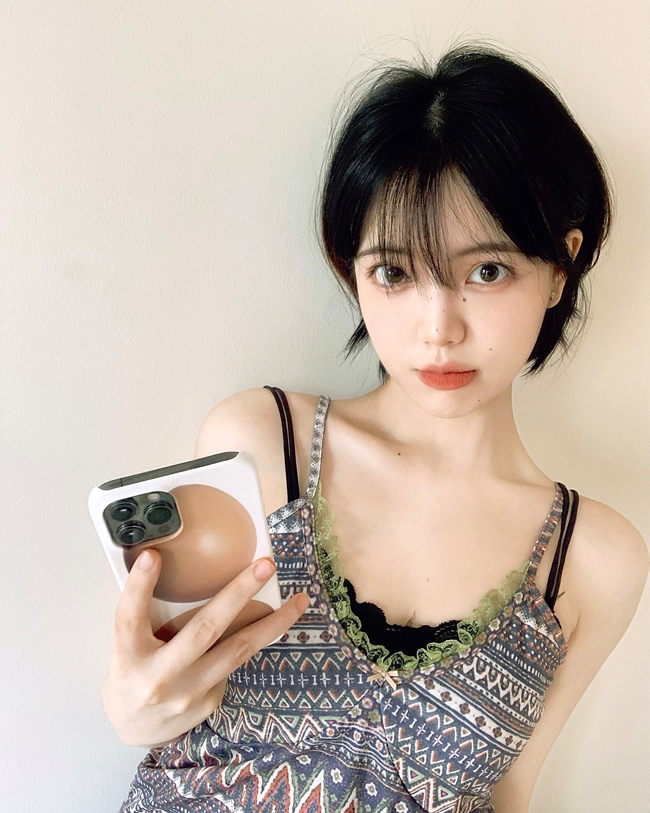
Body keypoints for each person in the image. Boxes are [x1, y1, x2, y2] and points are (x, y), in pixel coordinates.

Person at [104, 45, 648, 813]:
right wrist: (135, 710)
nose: (439, 328)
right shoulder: (261, 446)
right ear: (351, 269)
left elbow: (508, 791)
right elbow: (171, 683)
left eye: (487, 270)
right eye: (394, 272)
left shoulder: (591, 558)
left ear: (561, 265)